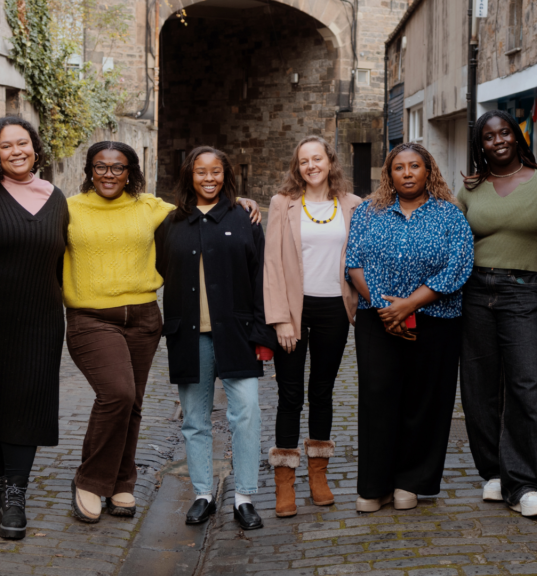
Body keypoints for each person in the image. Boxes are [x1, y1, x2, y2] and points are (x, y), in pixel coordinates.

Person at [65, 141, 261, 523]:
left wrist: (244, 203)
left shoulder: (165, 210)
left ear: (131, 172)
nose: (109, 174)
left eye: (118, 167)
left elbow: (249, 264)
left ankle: (237, 496)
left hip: (181, 324)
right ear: (89, 170)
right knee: (132, 399)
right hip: (127, 322)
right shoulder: (73, 208)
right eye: (101, 167)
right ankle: (102, 481)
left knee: (237, 413)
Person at [0, 116, 68, 540]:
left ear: (35, 148)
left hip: (39, 323)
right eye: (6, 146)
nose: (17, 151)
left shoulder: (56, 198)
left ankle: (16, 496)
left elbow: (60, 264)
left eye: (24, 144)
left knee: (27, 403)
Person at [346, 142, 473, 513]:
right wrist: (388, 311)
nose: (406, 173)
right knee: (377, 398)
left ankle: (410, 482)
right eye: (398, 167)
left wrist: (410, 304)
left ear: (428, 171)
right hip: (377, 320)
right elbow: (353, 262)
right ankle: (374, 487)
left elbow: (458, 266)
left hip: (435, 320)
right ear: (389, 175)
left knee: (424, 401)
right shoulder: (368, 213)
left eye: (414, 166)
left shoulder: (450, 216)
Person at [156, 146, 276, 530]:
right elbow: (162, 267)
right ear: (189, 175)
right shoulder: (172, 222)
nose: (209, 178)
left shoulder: (245, 217)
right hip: (189, 335)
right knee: (195, 419)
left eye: (216, 172)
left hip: (237, 334)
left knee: (247, 414)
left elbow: (260, 278)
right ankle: (203, 493)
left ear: (227, 175)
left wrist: (262, 333)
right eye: (201, 172)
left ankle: (243, 497)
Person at [456, 110, 537, 518]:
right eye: (489, 136)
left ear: (517, 137)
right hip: (475, 292)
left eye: (505, 132)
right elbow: (453, 241)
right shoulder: (470, 188)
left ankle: (527, 484)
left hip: (523, 293)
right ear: (480, 145)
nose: (498, 140)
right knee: (480, 387)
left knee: (529, 383)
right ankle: (495, 473)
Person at [263, 136, 362, 517]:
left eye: (316, 158)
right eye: (304, 160)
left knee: (322, 391)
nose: (311, 165)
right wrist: (282, 319)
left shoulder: (352, 205)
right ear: (297, 167)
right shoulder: (282, 204)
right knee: (290, 395)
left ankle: (318, 477)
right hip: (293, 311)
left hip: (335, 310)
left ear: (329, 161)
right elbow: (272, 264)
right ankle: (284, 484)